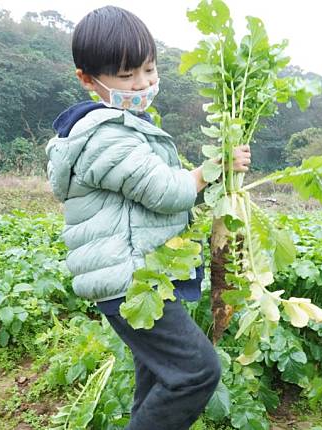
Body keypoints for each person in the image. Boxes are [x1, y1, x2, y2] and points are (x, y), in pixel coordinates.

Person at [45, 6, 251, 429]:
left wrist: (214, 176)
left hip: (144, 275)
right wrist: (212, 168)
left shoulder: (128, 127)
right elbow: (165, 190)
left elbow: (162, 192)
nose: (141, 84)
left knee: (160, 376)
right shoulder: (104, 135)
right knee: (197, 371)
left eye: (149, 71)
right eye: (126, 76)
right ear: (87, 79)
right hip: (130, 280)